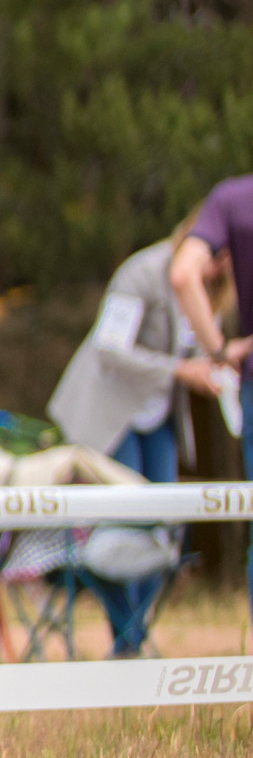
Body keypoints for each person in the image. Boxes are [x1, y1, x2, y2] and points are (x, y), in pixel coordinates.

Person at [51, 221, 228, 652]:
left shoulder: (215, 288)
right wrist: (178, 370)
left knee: (165, 527)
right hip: (112, 415)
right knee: (120, 528)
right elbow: (109, 349)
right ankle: (127, 639)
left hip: (160, 418)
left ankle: (135, 632)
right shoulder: (142, 273)